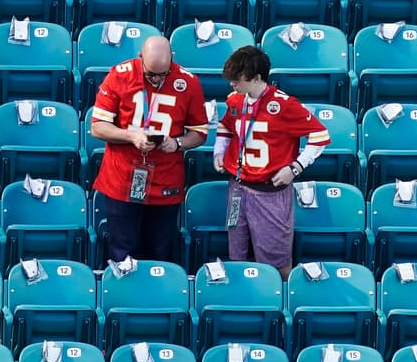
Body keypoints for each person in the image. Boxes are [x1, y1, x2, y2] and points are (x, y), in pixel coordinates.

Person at [213, 45, 330, 278]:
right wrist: (219, 151)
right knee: (237, 254)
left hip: (270, 192)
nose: (232, 84)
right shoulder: (235, 100)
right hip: (237, 187)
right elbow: (227, 126)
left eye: (238, 79)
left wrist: (295, 168)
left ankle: (278, 305)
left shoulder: (285, 104)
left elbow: (321, 136)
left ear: (257, 78)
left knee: (275, 261)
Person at [90, 35, 209, 265]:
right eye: (150, 74)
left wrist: (177, 143)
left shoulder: (189, 82)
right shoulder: (119, 75)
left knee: (160, 251)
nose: (155, 80)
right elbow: (97, 127)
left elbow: (199, 131)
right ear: (140, 58)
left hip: (165, 178)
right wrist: (131, 135)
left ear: (172, 59)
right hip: (123, 176)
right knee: (123, 252)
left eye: (162, 74)